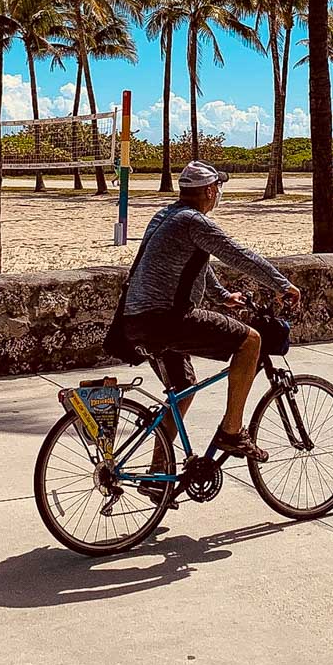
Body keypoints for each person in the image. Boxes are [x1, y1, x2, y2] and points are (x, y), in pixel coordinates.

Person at [119, 160, 300, 493]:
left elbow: (194, 262)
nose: (218, 193)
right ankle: (232, 431)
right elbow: (238, 255)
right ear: (207, 191)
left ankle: (157, 475)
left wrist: (222, 297)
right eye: (217, 187)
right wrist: (281, 284)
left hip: (135, 320)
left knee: (183, 387)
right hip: (166, 319)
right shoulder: (194, 221)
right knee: (250, 341)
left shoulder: (165, 216)